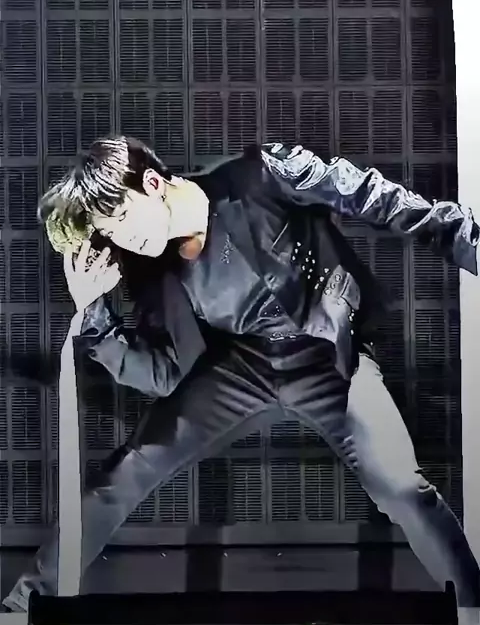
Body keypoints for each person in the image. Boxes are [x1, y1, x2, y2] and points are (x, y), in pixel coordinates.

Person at [3, 136, 480, 622]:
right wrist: (95, 318)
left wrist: (471, 243)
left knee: (400, 486)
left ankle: (473, 606)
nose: (126, 239)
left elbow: (376, 198)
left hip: (326, 357)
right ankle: (22, 607)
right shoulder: (151, 266)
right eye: (112, 232)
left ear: (153, 184)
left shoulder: (264, 174)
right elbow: (163, 375)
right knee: (124, 473)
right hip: (239, 369)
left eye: (124, 217)